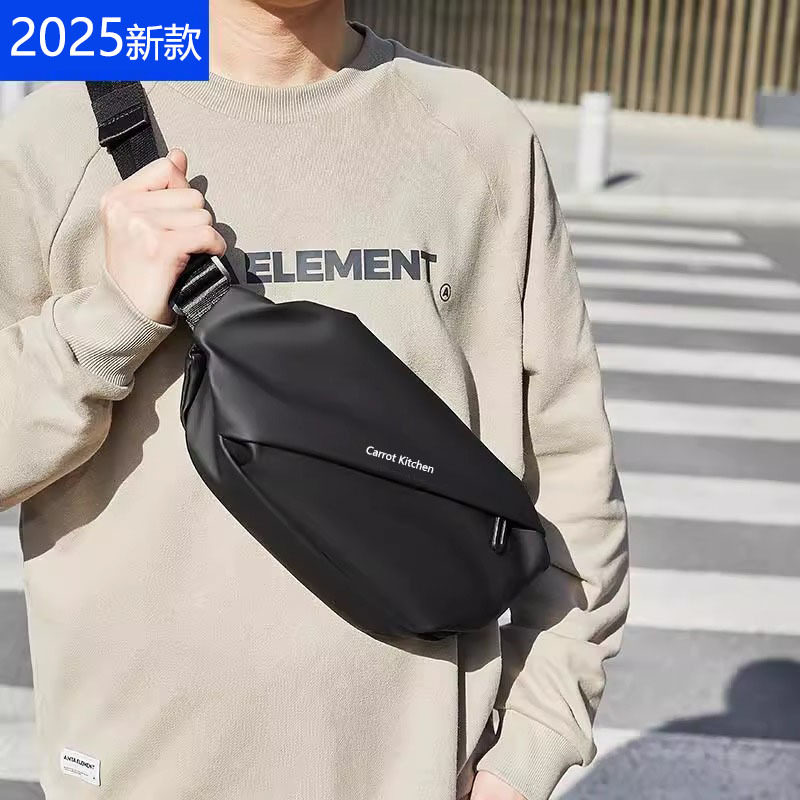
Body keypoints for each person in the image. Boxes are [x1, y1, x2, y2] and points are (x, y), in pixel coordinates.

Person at [0, 1, 629, 798]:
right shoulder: (54, 142)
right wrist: (110, 319)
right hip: (134, 773)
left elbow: (572, 473)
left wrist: (528, 748)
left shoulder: (477, 136)